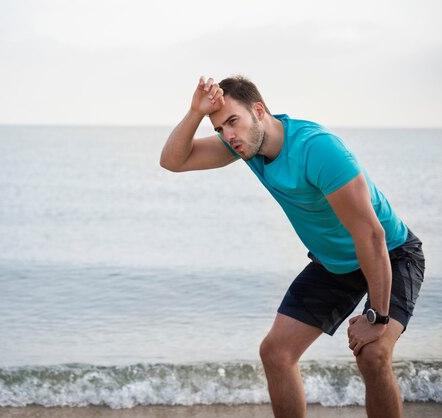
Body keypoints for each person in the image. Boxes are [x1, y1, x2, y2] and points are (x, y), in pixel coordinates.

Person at [159, 75, 425, 418]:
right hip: (334, 263)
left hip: (390, 252)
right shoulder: (245, 146)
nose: (228, 136)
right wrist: (196, 111)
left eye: (232, 122)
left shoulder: (317, 149)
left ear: (259, 110)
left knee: (373, 355)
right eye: (220, 128)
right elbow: (173, 161)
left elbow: (370, 236)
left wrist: (377, 317)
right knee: (276, 353)